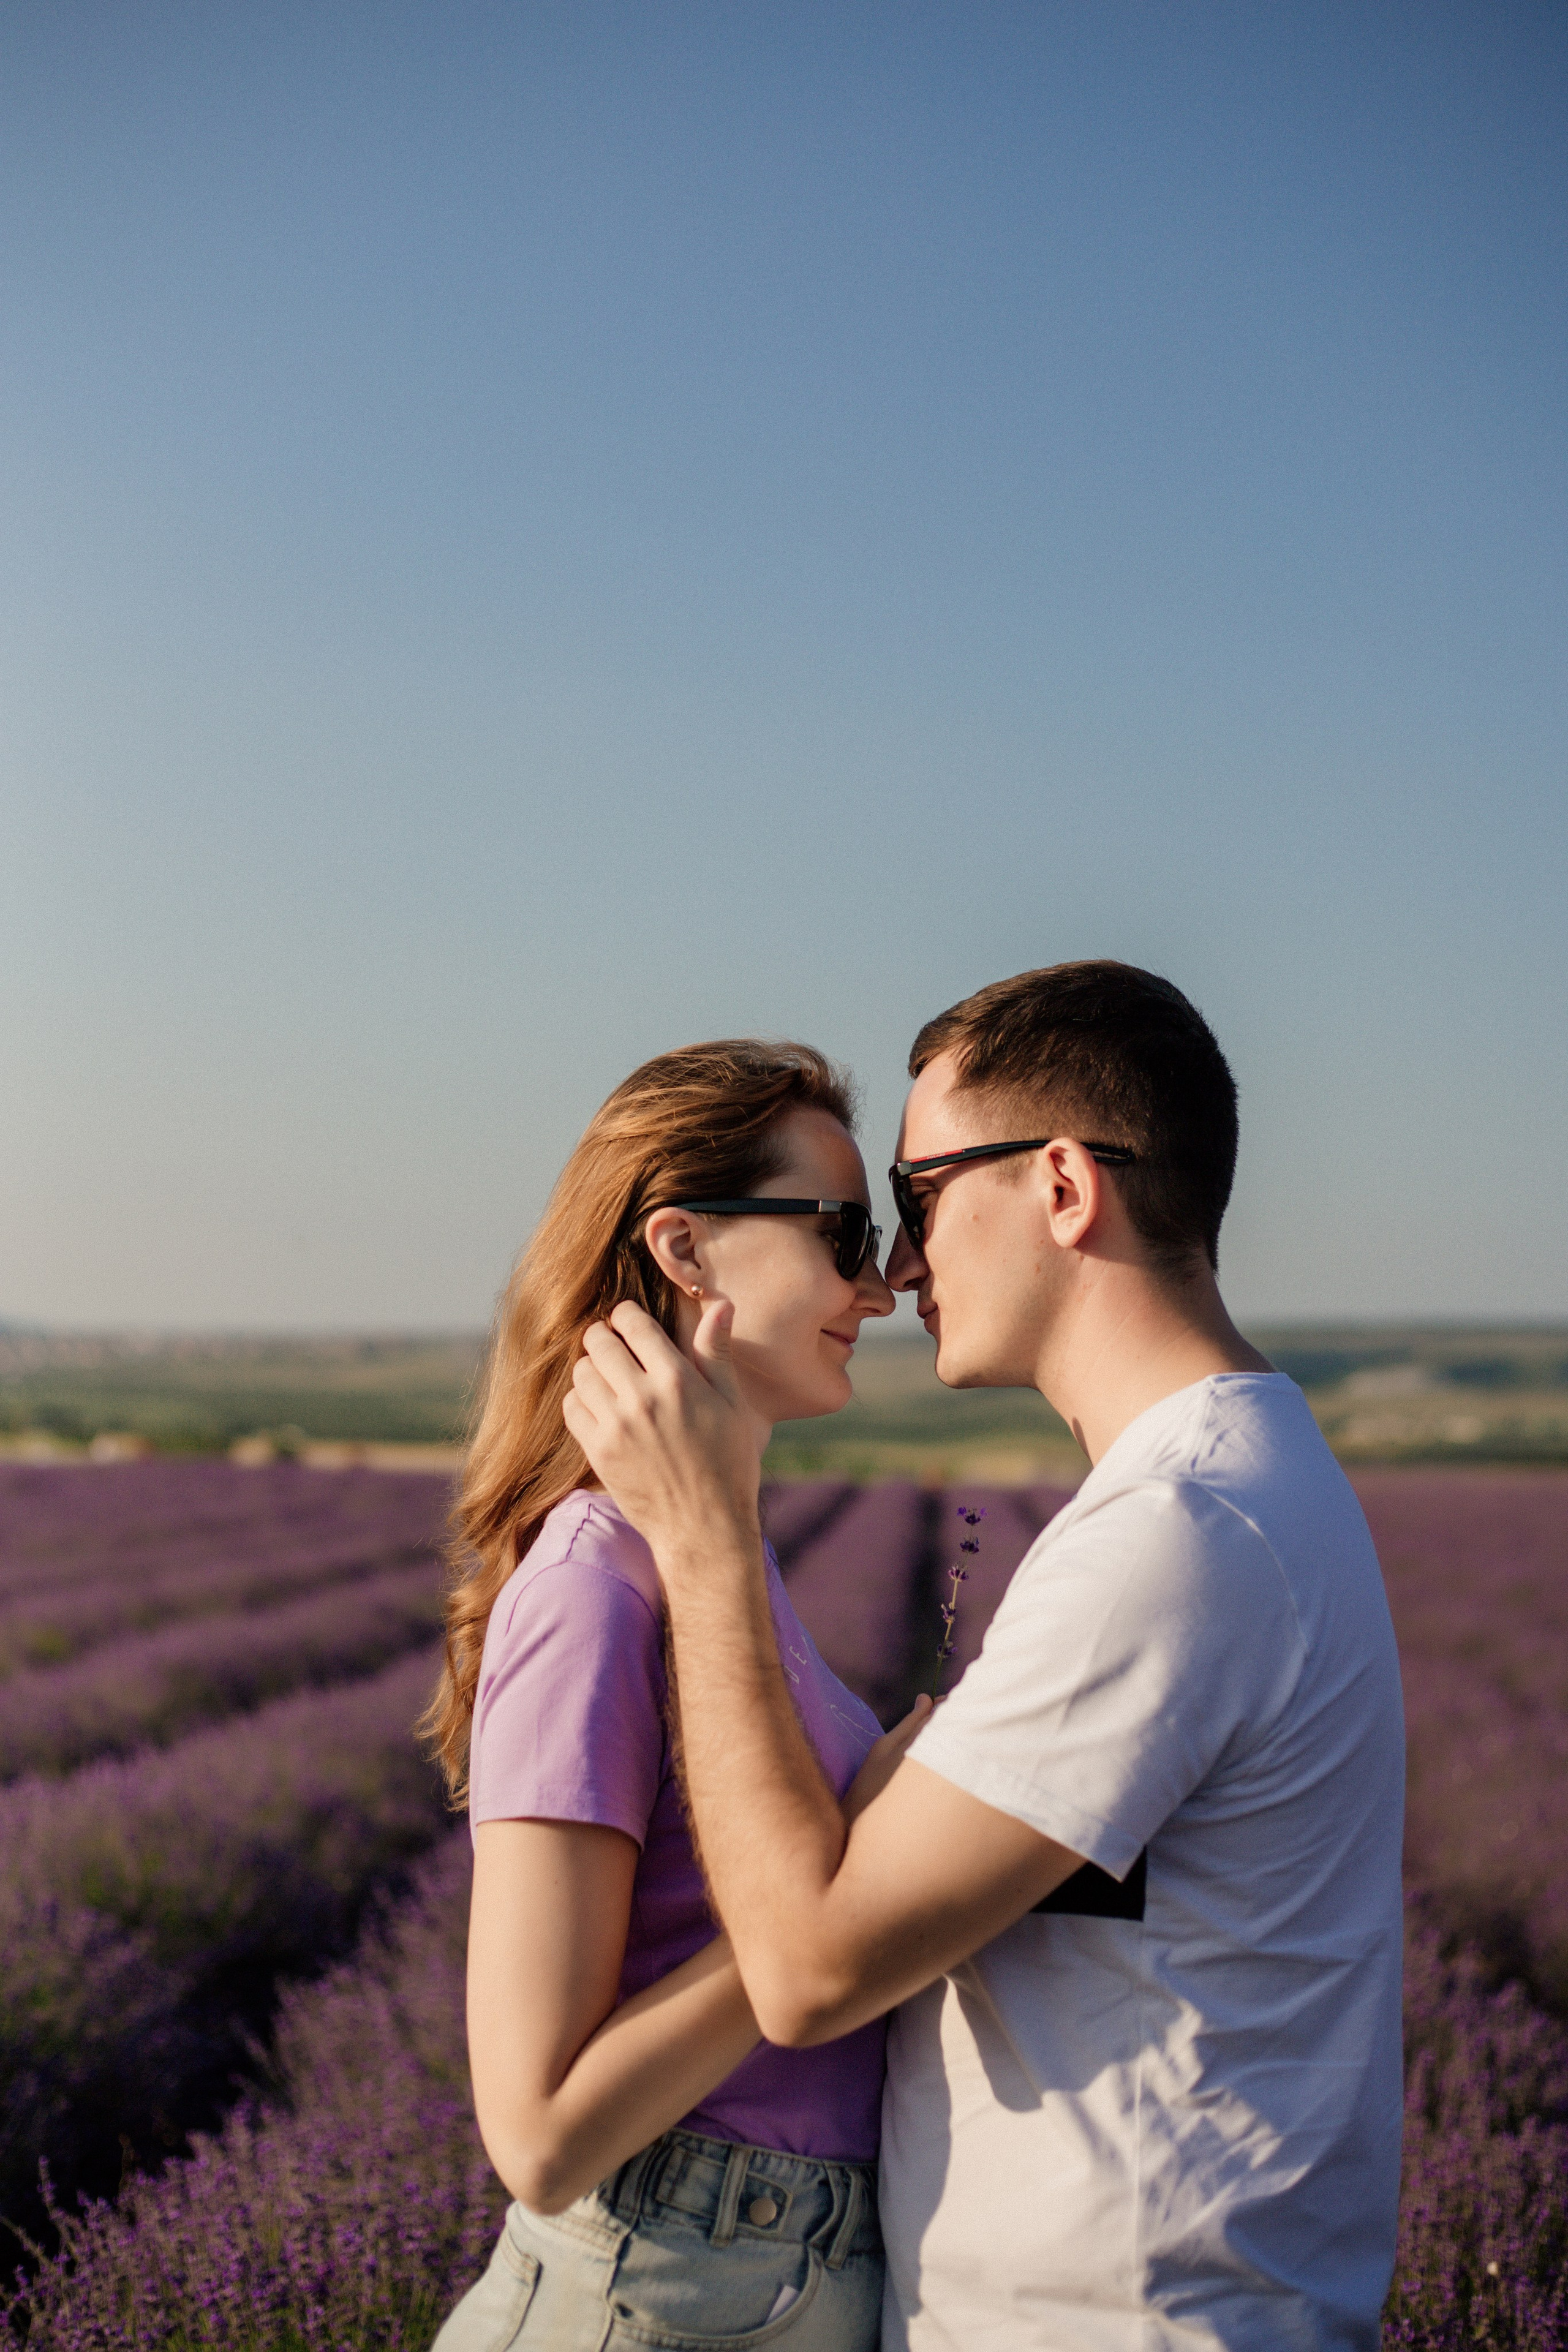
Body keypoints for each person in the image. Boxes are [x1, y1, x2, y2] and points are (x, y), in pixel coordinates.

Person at [565, 960, 1408, 2352]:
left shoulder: (1177, 1535)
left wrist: (706, 1540)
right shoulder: (1233, 1490)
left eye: (918, 1199)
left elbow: (808, 1971)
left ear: (1063, 1188)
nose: (898, 1267)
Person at [423, 1039, 922, 2352]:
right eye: (839, 1232)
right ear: (687, 1251)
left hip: (759, 2278)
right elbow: (536, 2132)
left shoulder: (714, 1559)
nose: (877, 1289)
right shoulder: (597, 1583)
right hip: (652, 2287)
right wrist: (837, 1909)